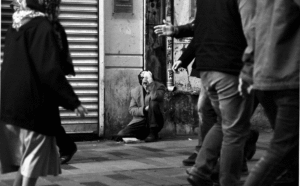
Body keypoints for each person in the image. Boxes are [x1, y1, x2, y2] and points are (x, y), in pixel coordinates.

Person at [0, 0, 88, 186]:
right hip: (35, 108)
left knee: (27, 160)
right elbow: (48, 70)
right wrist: (73, 102)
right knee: (32, 162)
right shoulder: (42, 26)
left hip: (12, 106)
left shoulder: (15, 27)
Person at [170, 0, 255, 185]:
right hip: (231, 67)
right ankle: (228, 181)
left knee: (223, 123)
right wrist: (250, 67)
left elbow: (199, 27)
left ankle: (200, 171)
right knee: (235, 131)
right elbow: (252, 29)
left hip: (207, 67)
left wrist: (178, 33)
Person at [154, 19, 259, 167]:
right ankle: (206, 153)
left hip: (234, 64)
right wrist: (184, 58)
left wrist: (178, 30)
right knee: (206, 109)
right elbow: (202, 30)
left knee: (225, 115)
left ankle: (223, 158)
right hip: (210, 64)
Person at [239, 1, 300, 186]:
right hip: (289, 74)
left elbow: (251, 27)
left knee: (291, 153)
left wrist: (248, 68)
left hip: (265, 75)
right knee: (284, 148)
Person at [116, 70, 166, 142]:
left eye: (147, 82)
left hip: (156, 120)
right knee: (121, 134)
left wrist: (151, 84)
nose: (146, 85)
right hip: (140, 121)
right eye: (144, 83)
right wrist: (144, 109)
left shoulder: (159, 87)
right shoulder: (135, 91)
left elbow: (155, 97)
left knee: (153, 103)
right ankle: (145, 134)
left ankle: (153, 133)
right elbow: (131, 109)